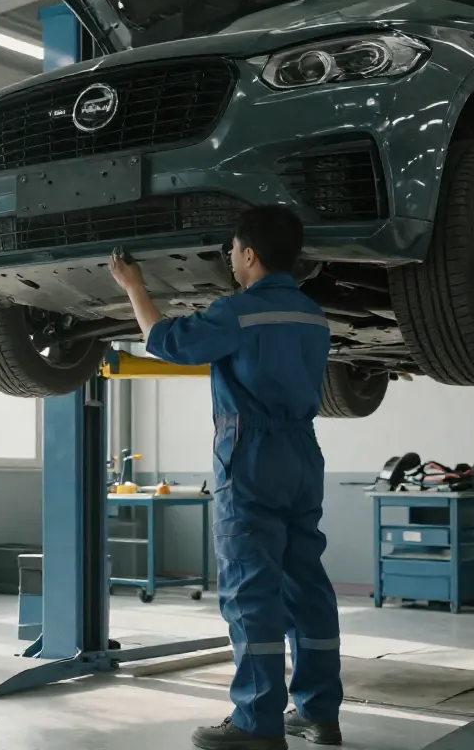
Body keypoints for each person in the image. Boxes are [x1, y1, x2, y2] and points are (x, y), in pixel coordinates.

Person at [108, 205, 344, 750]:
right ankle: (318, 713)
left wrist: (133, 286)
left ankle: (256, 724)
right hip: (304, 454)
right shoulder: (314, 315)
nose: (231, 261)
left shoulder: (238, 313)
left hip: (252, 456)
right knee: (306, 586)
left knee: (250, 591)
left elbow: (165, 340)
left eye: (234, 252)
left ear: (250, 255)